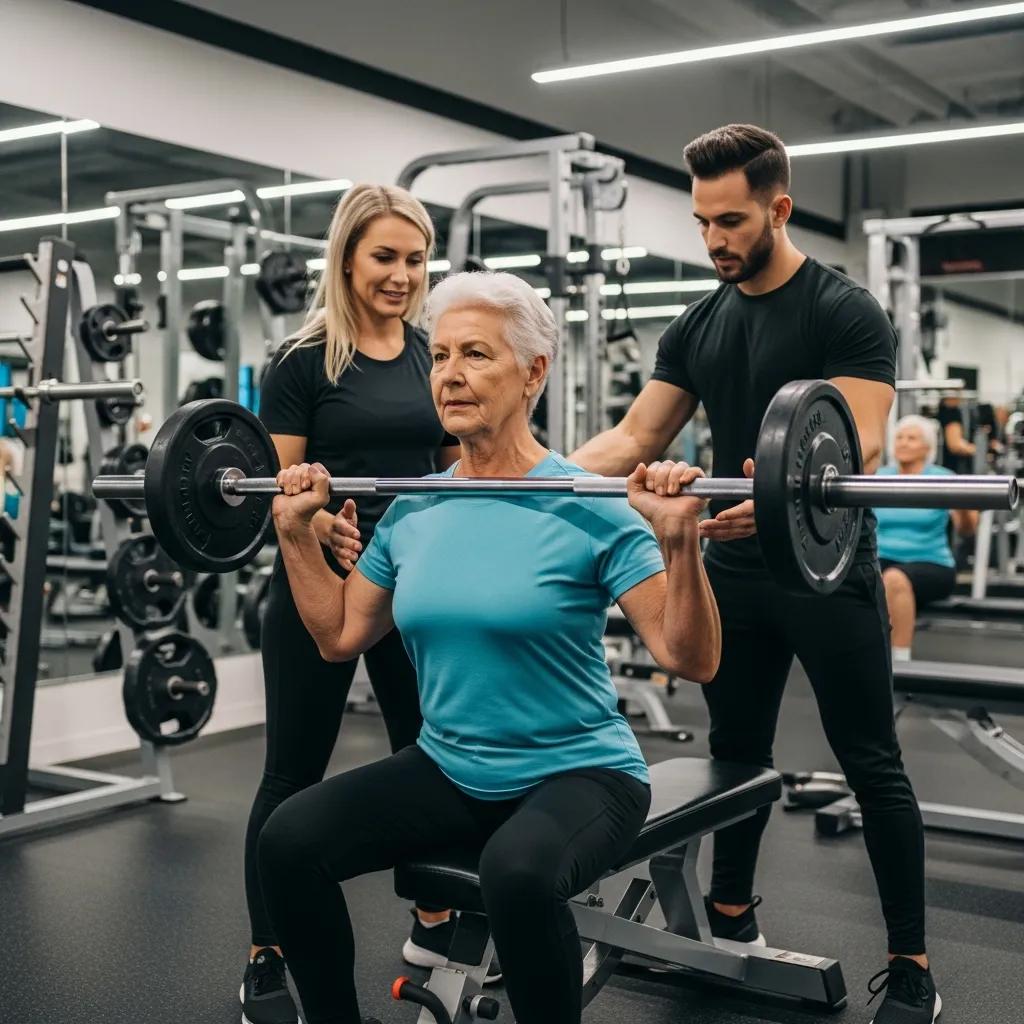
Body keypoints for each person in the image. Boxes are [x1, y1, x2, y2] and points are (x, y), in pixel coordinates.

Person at [257, 270, 721, 1024]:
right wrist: (295, 539)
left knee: (517, 875)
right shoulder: (416, 505)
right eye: (439, 356)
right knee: (286, 842)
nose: (450, 376)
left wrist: (680, 541)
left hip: (581, 771)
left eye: (475, 354)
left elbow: (692, 659)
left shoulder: (589, 503)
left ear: (535, 371)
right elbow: (340, 635)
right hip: (450, 767)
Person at [570, 124, 939, 1024]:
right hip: (732, 571)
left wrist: (770, 501)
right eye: (702, 224)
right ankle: (729, 919)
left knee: (871, 762)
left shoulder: (845, 313)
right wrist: (522, 479)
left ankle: (913, 964)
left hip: (826, 573)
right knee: (735, 755)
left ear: (779, 208)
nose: (714, 242)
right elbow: (632, 440)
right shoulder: (699, 322)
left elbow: (844, 450)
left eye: (730, 221)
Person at [243, 184, 461, 1024]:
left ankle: (434, 918)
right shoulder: (304, 363)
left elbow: (452, 475)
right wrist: (312, 527)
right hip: (321, 583)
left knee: (429, 754)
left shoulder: (432, 354)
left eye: (415, 259)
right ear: (346, 258)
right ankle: (267, 951)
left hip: (415, 586)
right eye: (385, 258)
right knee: (292, 772)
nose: (402, 275)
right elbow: (276, 494)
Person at [876, 416, 977, 661]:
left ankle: (899, 662)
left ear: (927, 447)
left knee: (894, 579)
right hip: (879, 559)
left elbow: (967, 530)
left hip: (931, 563)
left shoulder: (944, 477)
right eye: (899, 437)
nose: (903, 443)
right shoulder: (878, 476)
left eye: (912, 438)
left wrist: (962, 508)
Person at [937, 396, 976, 474]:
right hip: (952, 468)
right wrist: (976, 450)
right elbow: (955, 445)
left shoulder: (944, 411)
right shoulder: (951, 413)